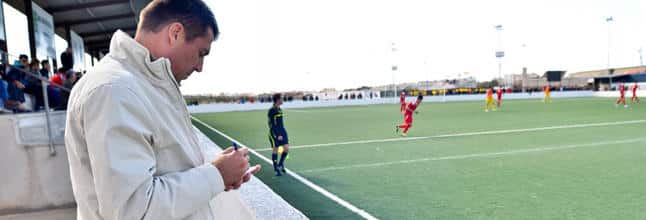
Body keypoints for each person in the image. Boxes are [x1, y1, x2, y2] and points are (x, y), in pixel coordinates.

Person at [64, 1, 260, 219]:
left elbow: (165, 167)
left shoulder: (142, 84)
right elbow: (134, 210)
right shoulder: (115, 90)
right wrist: (216, 175)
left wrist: (218, 170)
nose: (200, 67)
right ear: (175, 33)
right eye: (201, 53)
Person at [268, 93, 290, 176]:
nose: (283, 99)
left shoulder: (279, 109)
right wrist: (277, 134)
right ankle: (276, 168)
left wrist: (282, 133)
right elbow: (271, 124)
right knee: (275, 149)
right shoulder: (272, 110)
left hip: (282, 131)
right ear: (277, 99)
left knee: (286, 148)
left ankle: (280, 164)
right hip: (274, 132)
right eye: (281, 98)